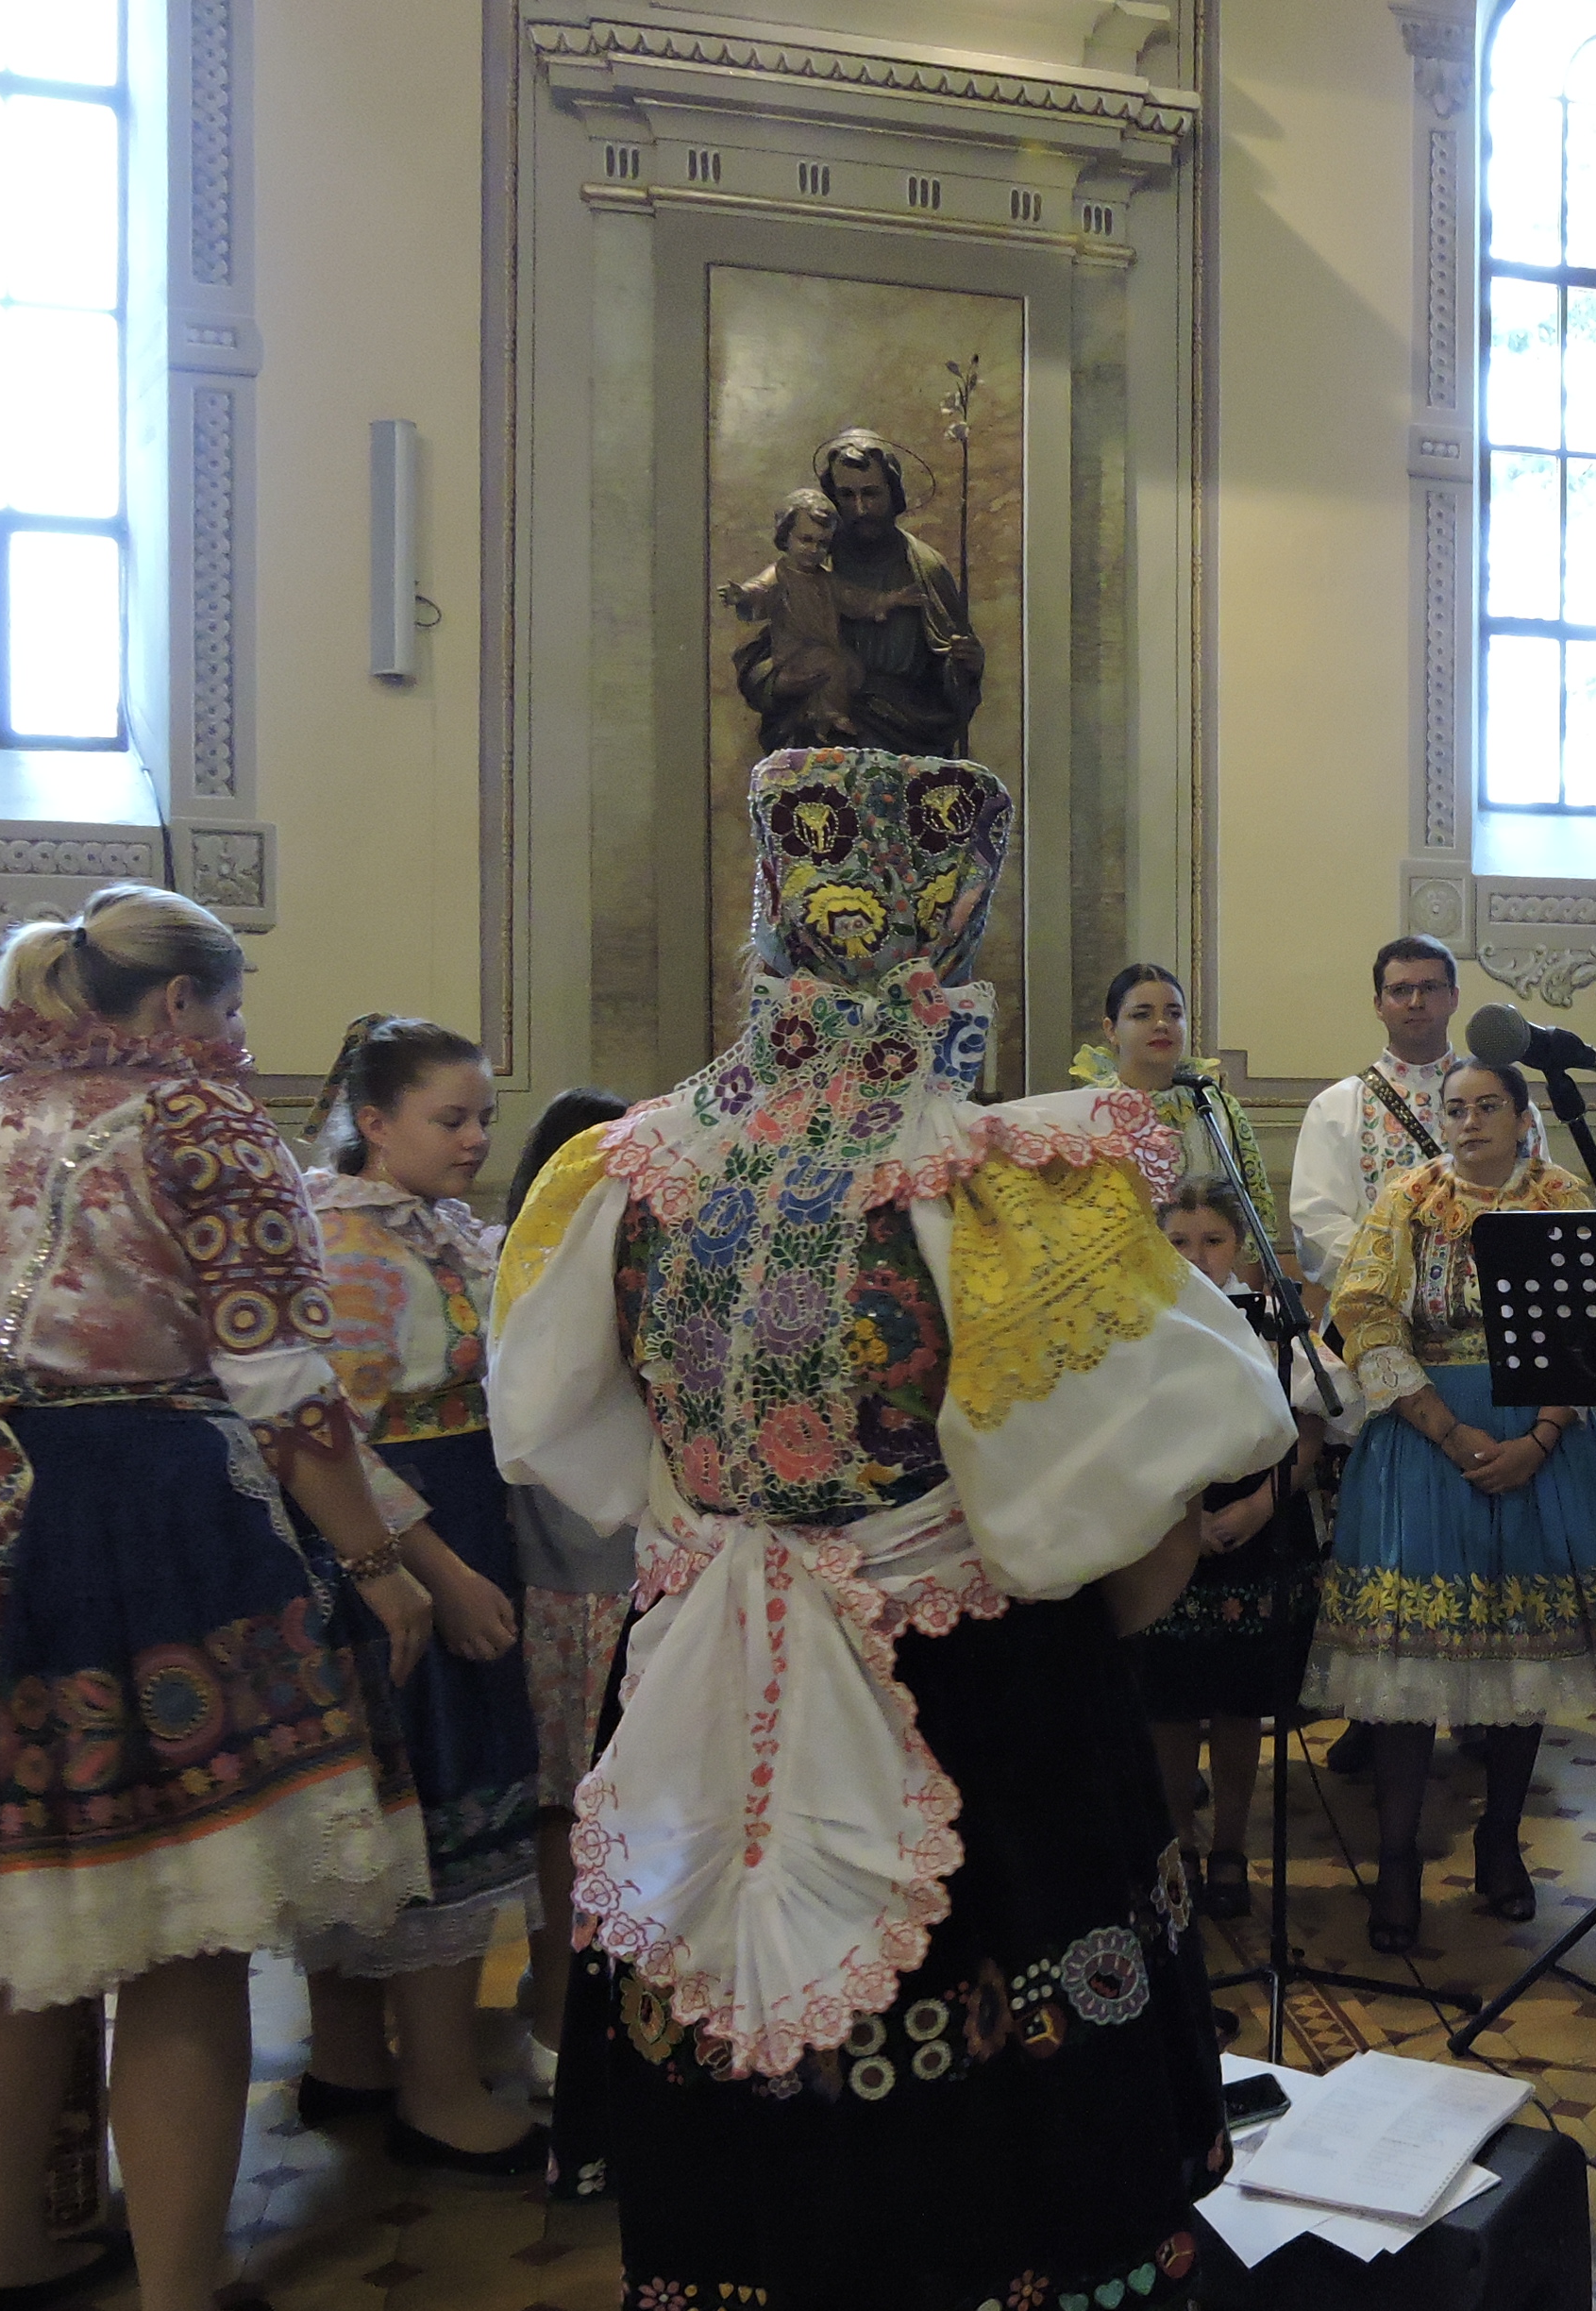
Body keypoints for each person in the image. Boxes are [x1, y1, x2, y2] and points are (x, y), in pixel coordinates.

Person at [495, 747, 1292, 2308]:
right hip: (975, 1698)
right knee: (1005, 2113)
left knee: (733, 2039)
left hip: (701, 1669)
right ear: (959, 925)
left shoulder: (630, 1174)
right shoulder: (1002, 1190)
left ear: (765, 911)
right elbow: (1133, 1540)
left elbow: (563, 1434)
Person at [0, 885, 434, 2311]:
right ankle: (180, 2284)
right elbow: (284, 1383)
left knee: (5, 1925)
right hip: (148, 1522)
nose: (233, 1035)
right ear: (180, 1003)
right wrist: (379, 1566)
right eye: (230, 1008)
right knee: (182, 1933)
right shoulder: (203, 1122)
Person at [288, 1017, 548, 2173]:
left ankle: (351, 2060)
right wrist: (440, 1574)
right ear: (374, 1122)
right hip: (407, 1537)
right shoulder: (346, 1241)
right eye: (450, 1118)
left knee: (387, 1798)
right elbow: (335, 1437)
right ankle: (437, 2089)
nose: (476, 1137)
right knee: (432, 1795)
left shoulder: (436, 1229)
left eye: (483, 1116)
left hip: (451, 1511)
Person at [1309, 1061, 1596, 1949]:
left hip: (1539, 1442)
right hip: (1423, 1442)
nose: (1471, 1121)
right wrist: (1447, 1431)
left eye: (1490, 1106)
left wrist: (1544, 1435)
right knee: (1410, 1664)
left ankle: (1501, 1842)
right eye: (1456, 1108)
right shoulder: (1407, 1199)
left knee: (1520, 1659)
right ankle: (1397, 1861)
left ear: (1524, 1117)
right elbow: (1365, 1315)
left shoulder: (1564, 1200)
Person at [1134, 1185, 1338, 1925]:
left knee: (1237, 1702)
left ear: (1241, 1247)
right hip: (1167, 1530)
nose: (1196, 1257)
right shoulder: (1137, 1323)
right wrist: (1180, 1522)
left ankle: (1229, 1846)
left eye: (1213, 1241)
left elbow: (1311, 1425)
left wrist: (1259, 1506)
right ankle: (1177, 1849)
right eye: (1179, 1242)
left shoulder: (1273, 1325)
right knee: (1168, 1704)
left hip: (1254, 1524)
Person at [497, 1086, 634, 2088]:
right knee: (582, 1813)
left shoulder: (514, 1267)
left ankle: (565, 2005)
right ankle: (562, 2018)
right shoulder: (574, 1278)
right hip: (590, 1580)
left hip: (561, 1580)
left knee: (572, 1809)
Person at [1285, 934, 1539, 1291]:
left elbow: (1539, 1202)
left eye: (1430, 988)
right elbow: (1317, 1223)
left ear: (1453, 997)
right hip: (1379, 1303)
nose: (1416, 1002)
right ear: (1379, 1004)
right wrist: (1406, 1280)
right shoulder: (1336, 1107)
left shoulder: (1506, 1101)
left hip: (1498, 1298)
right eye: (1400, 990)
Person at [735, 429, 985, 757]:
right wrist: (780, 682)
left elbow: (949, 681)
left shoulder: (925, 568)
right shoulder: (813, 562)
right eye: (846, 495)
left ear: (893, 494)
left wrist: (966, 666)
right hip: (820, 739)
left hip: (904, 735)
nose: (861, 508)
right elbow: (765, 657)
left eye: (871, 494)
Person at [1073, 962, 1278, 1238]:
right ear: (1111, 1030)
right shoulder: (1087, 1112)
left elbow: (1254, 1210)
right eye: (1142, 1015)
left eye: (1174, 1014)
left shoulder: (1216, 1107)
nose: (1161, 1025)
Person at [716, 487, 930, 744]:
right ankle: (829, 714)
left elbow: (854, 598)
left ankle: (817, 709)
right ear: (785, 537)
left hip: (825, 648)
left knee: (851, 667)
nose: (813, 549)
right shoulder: (779, 575)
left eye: (822, 544)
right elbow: (759, 590)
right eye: (806, 540)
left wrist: (890, 599)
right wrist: (742, 595)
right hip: (794, 654)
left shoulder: (826, 579)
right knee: (832, 664)